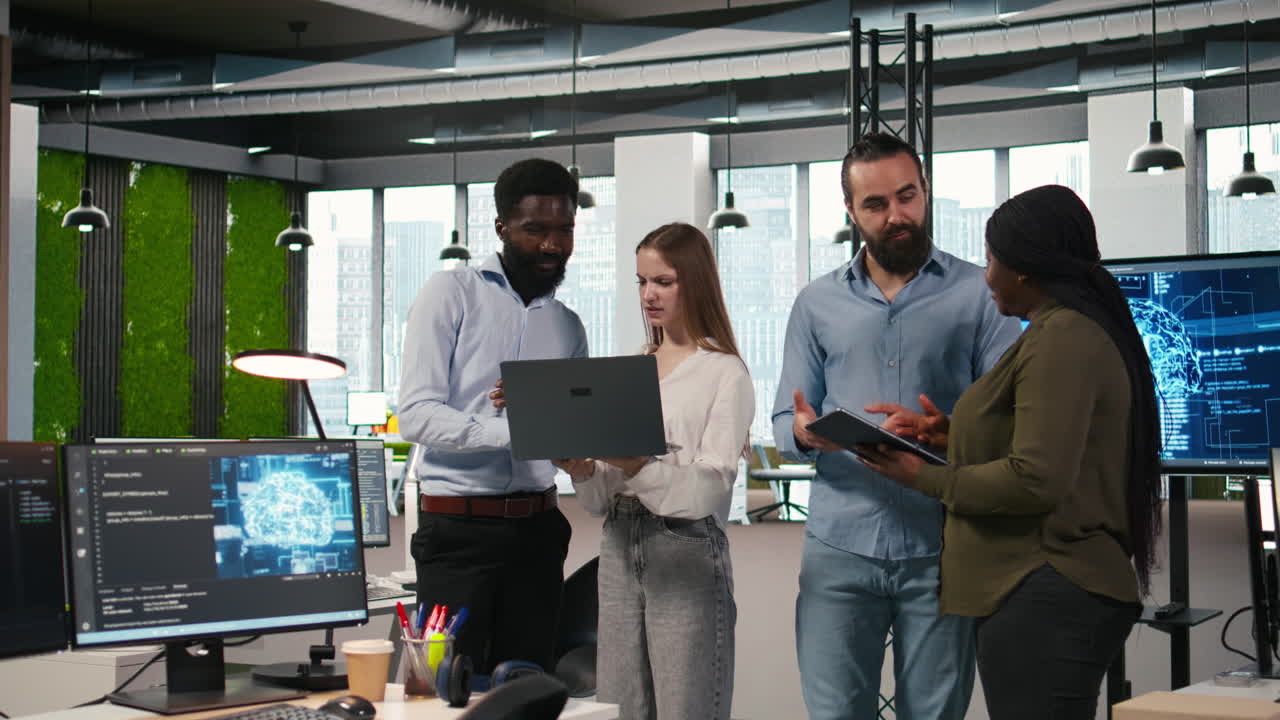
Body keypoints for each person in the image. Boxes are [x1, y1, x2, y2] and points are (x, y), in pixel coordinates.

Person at [859, 184, 1159, 720]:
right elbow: (1056, 442)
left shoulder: (1062, 338)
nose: (985, 274)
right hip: (1044, 591)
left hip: (1045, 588)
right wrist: (953, 434)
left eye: (991, 259)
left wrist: (920, 475)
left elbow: (1035, 478)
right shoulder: (1062, 332)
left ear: (1023, 269)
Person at [773, 132, 1023, 720]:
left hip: (943, 545)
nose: (896, 215)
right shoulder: (815, 303)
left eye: (907, 196)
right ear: (851, 210)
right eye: (876, 204)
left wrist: (951, 429)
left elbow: (1012, 422)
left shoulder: (982, 295)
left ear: (925, 191)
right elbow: (787, 419)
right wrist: (805, 431)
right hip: (839, 544)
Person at [554, 222, 753, 720]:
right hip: (618, 546)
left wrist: (639, 464)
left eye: (663, 281)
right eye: (642, 281)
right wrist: (583, 469)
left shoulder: (725, 372)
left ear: (695, 282)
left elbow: (710, 487)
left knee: (686, 710)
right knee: (620, 709)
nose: (649, 295)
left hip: (685, 550)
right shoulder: (634, 367)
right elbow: (602, 498)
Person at [397, 158, 587, 675]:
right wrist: (516, 429)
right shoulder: (450, 293)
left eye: (564, 229)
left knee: (527, 689)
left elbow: (570, 427)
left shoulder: (567, 325)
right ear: (502, 227)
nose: (553, 244)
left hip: (540, 533)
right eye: (536, 230)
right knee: (443, 689)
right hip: (457, 535)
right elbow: (415, 415)